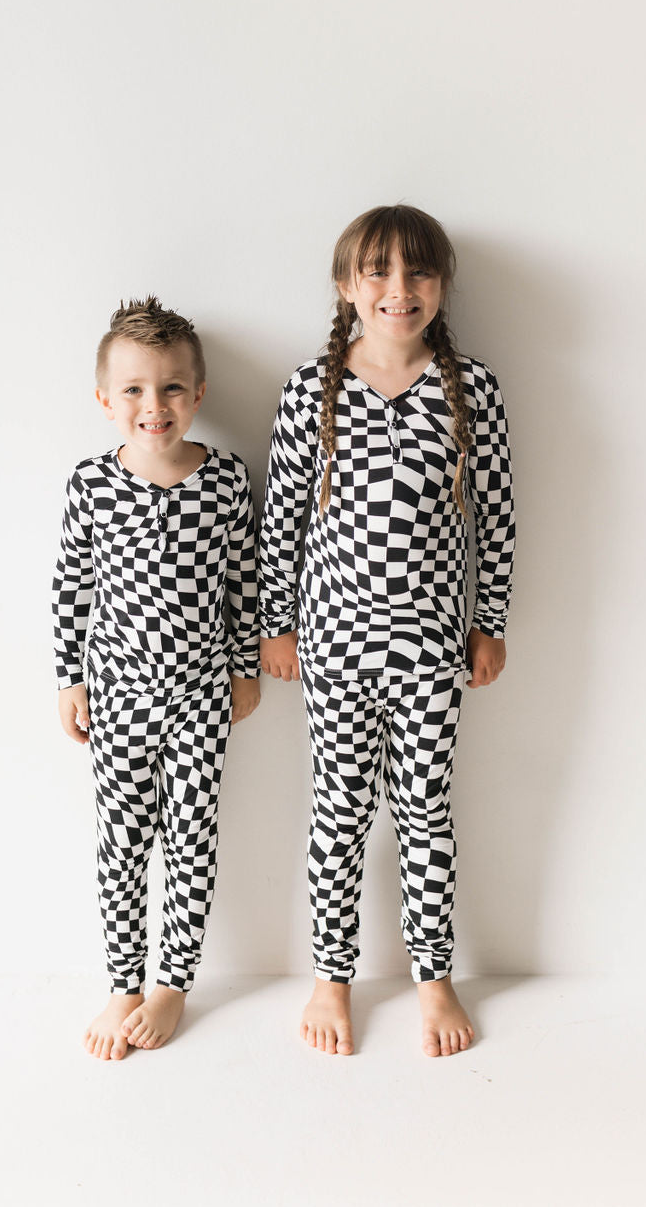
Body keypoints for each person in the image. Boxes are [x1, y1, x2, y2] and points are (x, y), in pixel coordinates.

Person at [258, 205, 515, 1057]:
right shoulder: (313, 388)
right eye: (378, 272)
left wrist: (489, 622)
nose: (398, 291)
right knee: (338, 808)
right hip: (332, 646)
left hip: (432, 649)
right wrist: (277, 626)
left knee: (424, 810)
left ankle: (432, 976)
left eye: (418, 274)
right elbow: (283, 520)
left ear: (441, 287)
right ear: (346, 287)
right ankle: (333, 975)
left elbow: (497, 518)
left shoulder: (470, 388)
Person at [53, 296, 261, 1060]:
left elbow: (248, 580)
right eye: (135, 389)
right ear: (106, 400)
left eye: (172, 387)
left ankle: (173, 981)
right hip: (118, 699)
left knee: (191, 840)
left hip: (201, 696)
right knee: (122, 842)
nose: (155, 405)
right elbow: (71, 586)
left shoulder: (227, 480)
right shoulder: (91, 484)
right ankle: (122, 981)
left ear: (199, 394)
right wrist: (71, 678)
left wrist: (244, 668)